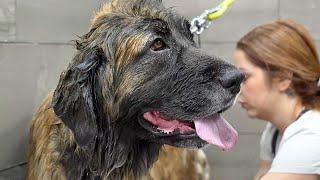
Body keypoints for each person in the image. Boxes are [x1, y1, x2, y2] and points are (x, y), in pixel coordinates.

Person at [233, 19, 320, 180]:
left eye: (244, 77)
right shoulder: (273, 132)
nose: (236, 89)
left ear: (282, 78)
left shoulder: (311, 134)